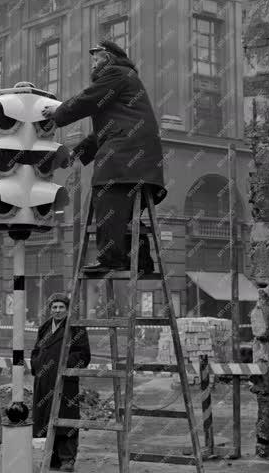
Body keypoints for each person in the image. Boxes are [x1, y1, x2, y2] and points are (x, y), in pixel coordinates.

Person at [42, 40, 166, 273]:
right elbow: (102, 132)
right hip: (138, 156)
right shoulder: (124, 78)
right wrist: (75, 153)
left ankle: (111, 258)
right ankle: (141, 261)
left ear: (108, 57)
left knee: (105, 190)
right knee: (126, 214)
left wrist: (57, 113)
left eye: (97, 58)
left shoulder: (115, 73)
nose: (94, 63)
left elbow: (86, 100)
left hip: (126, 151)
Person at [30, 293, 90, 472]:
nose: (57, 311)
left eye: (61, 307)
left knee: (66, 419)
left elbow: (83, 355)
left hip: (65, 381)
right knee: (46, 419)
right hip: (44, 381)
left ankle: (67, 459)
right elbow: (36, 350)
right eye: (54, 307)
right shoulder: (45, 327)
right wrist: (37, 364)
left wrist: (62, 365)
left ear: (67, 309)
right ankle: (52, 458)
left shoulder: (76, 328)